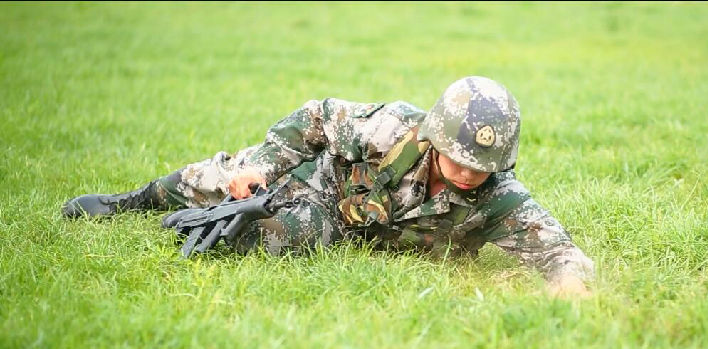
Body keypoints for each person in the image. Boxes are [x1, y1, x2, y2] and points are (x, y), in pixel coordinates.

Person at [62, 76, 594, 297]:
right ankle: (133, 201)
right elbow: (316, 117)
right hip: (319, 172)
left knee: (258, 237)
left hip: (336, 218)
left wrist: (569, 285)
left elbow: (559, 250)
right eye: (457, 156)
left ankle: (236, 221)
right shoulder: (391, 128)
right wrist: (264, 169)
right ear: (435, 137)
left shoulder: (500, 198)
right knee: (220, 182)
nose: (467, 171)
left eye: (481, 164)